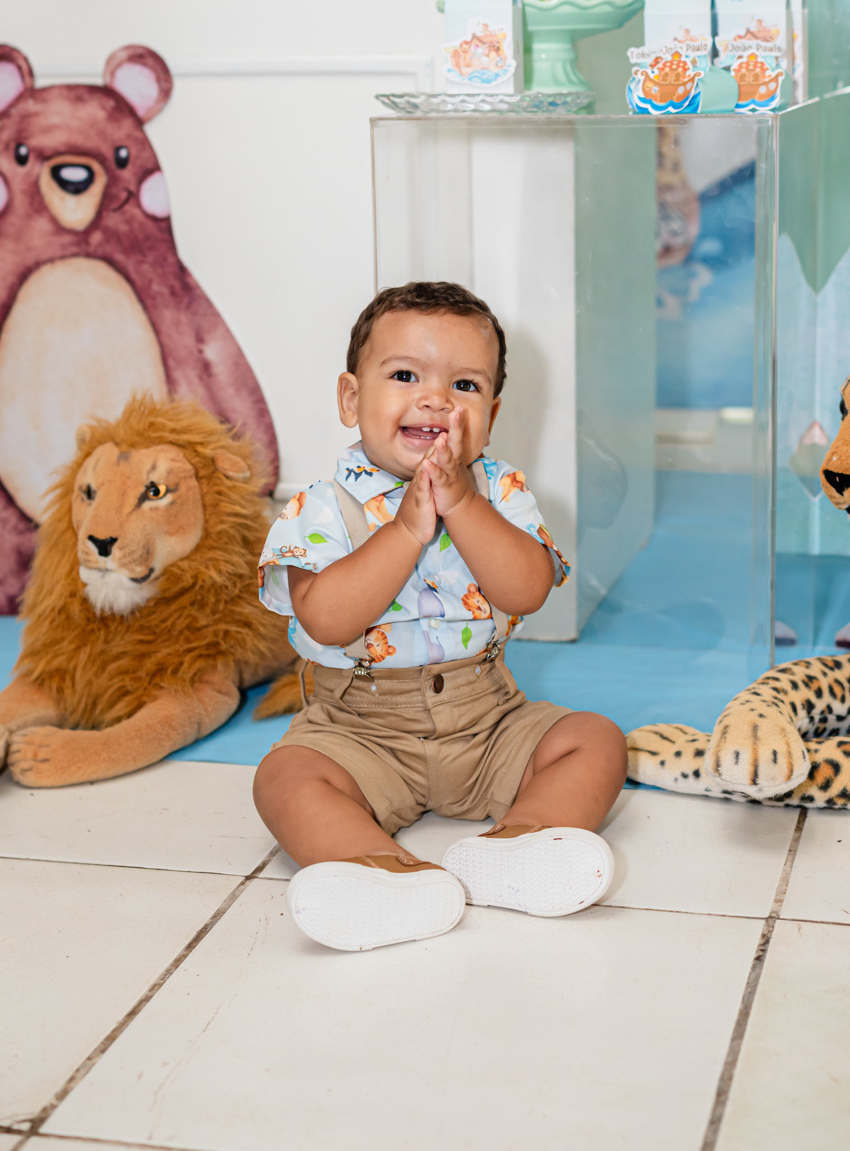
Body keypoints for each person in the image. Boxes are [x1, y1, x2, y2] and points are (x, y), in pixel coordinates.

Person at [253, 282, 627, 952]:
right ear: (351, 398)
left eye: (464, 384)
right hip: (359, 729)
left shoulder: (497, 489)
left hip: (487, 721)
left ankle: (519, 842)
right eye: (404, 375)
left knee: (595, 739)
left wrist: (462, 504)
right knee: (286, 779)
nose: (436, 399)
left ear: (491, 412)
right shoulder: (318, 506)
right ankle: (380, 871)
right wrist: (401, 532)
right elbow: (327, 620)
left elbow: (527, 590)